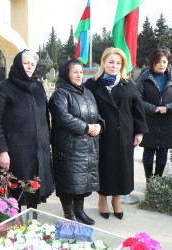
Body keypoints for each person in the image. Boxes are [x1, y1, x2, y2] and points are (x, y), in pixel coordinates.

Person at [85, 47, 148, 220]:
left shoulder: (128, 84)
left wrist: (139, 132)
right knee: (104, 167)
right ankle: (102, 199)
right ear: (103, 63)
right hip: (101, 134)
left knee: (122, 167)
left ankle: (117, 199)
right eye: (111, 61)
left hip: (124, 134)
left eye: (118, 63)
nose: (114, 65)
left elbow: (138, 110)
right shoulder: (92, 84)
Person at [0, 49, 54, 211]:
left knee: (34, 187)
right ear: (18, 64)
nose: (29, 67)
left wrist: (48, 141)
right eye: (26, 63)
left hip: (37, 150)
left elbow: (45, 117)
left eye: (33, 64)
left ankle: (32, 222)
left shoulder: (38, 87)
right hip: (15, 152)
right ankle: (12, 226)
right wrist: (2, 150)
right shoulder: (4, 88)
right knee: (14, 191)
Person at [49, 59, 105, 225]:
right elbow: (62, 117)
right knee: (68, 181)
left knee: (82, 181)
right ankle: (69, 212)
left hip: (88, 146)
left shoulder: (87, 93)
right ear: (67, 73)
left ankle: (80, 211)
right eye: (75, 72)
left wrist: (99, 125)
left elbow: (97, 115)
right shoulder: (60, 93)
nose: (79, 75)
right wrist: (86, 127)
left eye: (81, 72)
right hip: (68, 146)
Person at [137, 48, 172, 180]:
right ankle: (149, 179)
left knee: (163, 150)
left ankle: (157, 180)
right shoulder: (144, 77)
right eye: (158, 62)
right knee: (149, 149)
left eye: (164, 61)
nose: (161, 64)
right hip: (149, 119)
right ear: (152, 62)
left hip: (167, 120)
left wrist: (167, 107)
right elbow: (138, 99)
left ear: (168, 62)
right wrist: (154, 108)